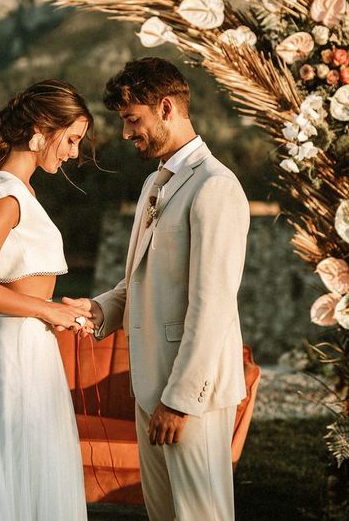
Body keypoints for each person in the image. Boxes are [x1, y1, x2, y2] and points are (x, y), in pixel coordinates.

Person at [72, 57, 250, 521]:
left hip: (191, 393)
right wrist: (97, 310)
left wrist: (180, 399)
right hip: (151, 385)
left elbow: (212, 304)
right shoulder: (155, 183)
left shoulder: (216, 187)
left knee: (200, 514)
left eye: (133, 119)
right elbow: (139, 279)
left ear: (166, 107)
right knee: (164, 514)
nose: (127, 133)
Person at [0, 79, 93, 521]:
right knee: (20, 481)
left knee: (38, 478)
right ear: (40, 130)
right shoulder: (8, 196)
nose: (73, 153)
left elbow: (22, 282)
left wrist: (60, 308)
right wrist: (47, 310)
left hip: (30, 348)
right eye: (71, 139)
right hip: (11, 355)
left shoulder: (23, 192)